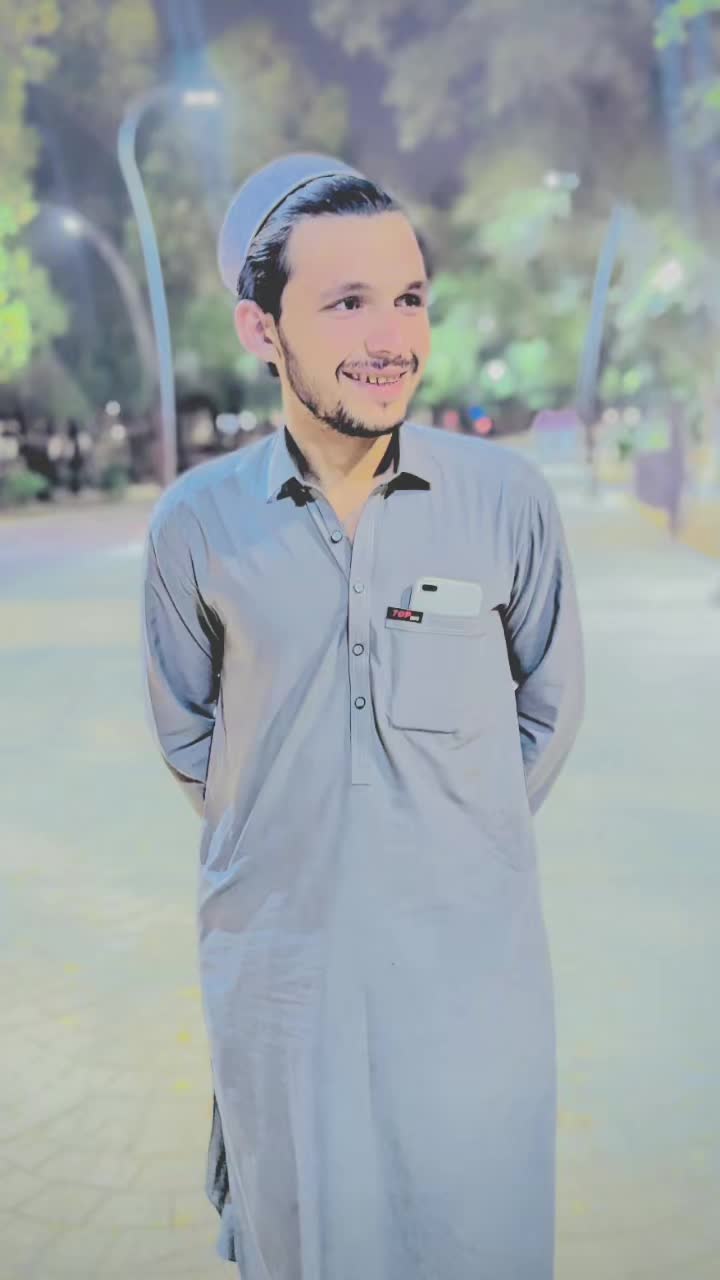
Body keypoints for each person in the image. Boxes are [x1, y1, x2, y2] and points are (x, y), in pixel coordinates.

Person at [140, 153, 585, 1280]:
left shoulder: (505, 503)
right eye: (346, 303)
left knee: (475, 1231)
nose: (391, 337)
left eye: (409, 297)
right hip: (284, 981)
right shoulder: (197, 526)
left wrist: (450, 831)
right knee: (305, 1238)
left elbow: (549, 706)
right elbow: (189, 735)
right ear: (262, 328)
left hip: (471, 977)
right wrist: (292, 838)